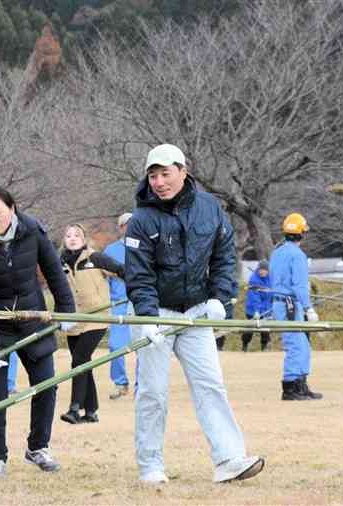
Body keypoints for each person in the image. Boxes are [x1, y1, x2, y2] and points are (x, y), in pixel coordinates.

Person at [125, 143, 264, 484]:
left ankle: (229, 459)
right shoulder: (141, 219)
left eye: (165, 173)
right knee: (153, 392)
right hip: (155, 313)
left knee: (210, 385)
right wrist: (147, 318)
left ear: (183, 172)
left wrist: (221, 298)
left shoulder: (209, 208)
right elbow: (138, 275)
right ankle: (151, 465)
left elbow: (223, 257)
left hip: (197, 312)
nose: (159, 181)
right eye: (153, 175)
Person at [0, 187, 76, 478]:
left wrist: (66, 310)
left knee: (46, 385)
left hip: (32, 317)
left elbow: (53, 271)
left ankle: (38, 447)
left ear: (12, 210)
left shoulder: (32, 230)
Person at [59, 223, 124, 424]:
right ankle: (92, 411)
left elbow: (122, 270)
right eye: (68, 235)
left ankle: (74, 408)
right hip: (73, 320)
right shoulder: (60, 262)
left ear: (84, 238)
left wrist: (138, 291)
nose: (72, 238)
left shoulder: (95, 258)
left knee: (79, 360)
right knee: (83, 363)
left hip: (96, 318)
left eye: (76, 235)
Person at [269, 213, 322, 401]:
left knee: (302, 345)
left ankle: (301, 384)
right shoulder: (298, 255)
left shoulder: (277, 252)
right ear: (301, 235)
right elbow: (299, 285)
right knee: (295, 345)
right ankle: (290, 387)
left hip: (281, 303)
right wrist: (309, 308)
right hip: (290, 305)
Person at [103, 212, 133, 400]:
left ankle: (142, 384)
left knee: (145, 346)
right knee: (115, 345)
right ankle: (120, 383)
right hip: (118, 304)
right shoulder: (110, 250)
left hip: (141, 303)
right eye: (127, 224)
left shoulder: (147, 247)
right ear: (121, 228)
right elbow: (103, 279)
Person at [242, 260, 272, 352]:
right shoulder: (254, 279)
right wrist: (256, 311)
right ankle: (245, 345)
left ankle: (264, 347)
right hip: (253, 309)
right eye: (260, 269)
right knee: (250, 328)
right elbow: (254, 297)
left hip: (266, 309)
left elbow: (272, 294)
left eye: (264, 270)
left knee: (265, 329)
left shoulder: (271, 279)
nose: (262, 272)